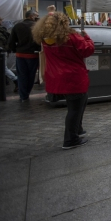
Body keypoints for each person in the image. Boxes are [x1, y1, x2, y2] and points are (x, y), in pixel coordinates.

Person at [32, 12, 94, 149]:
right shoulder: (71, 37)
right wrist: (87, 38)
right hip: (73, 77)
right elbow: (87, 50)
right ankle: (71, 140)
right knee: (75, 109)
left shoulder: (45, 38)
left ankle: (77, 129)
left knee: (79, 103)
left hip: (57, 76)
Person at [7, 10, 40, 102]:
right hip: (33, 54)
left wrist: (14, 49)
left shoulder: (17, 26)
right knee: (31, 75)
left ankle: (23, 95)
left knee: (22, 75)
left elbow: (11, 41)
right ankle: (26, 93)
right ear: (31, 16)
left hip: (20, 54)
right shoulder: (36, 26)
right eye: (36, 16)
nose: (37, 18)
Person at [0, 15, 18, 92]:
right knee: (2, 68)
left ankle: (15, 80)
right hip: (2, 51)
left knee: (2, 68)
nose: (2, 22)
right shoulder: (2, 30)